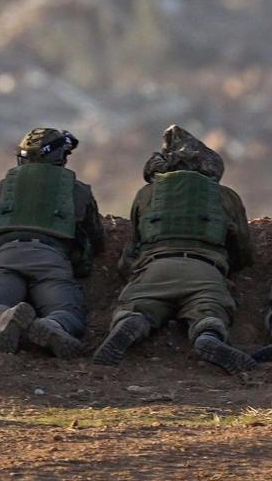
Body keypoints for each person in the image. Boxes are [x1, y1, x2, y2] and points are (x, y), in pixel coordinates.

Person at [92, 125, 256, 374]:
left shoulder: (146, 193)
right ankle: (207, 336)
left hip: (155, 268)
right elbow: (244, 251)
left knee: (138, 307)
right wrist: (224, 269)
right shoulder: (226, 196)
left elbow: (132, 247)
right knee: (210, 311)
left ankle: (131, 322)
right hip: (205, 270)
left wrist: (131, 273)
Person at [0, 128, 104, 358]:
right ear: (60, 157)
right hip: (50, 258)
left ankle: (4, 318)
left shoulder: (2, 186)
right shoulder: (78, 190)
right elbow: (95, 239)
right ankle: (53, 325)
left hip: (4, 255)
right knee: (66, 311)